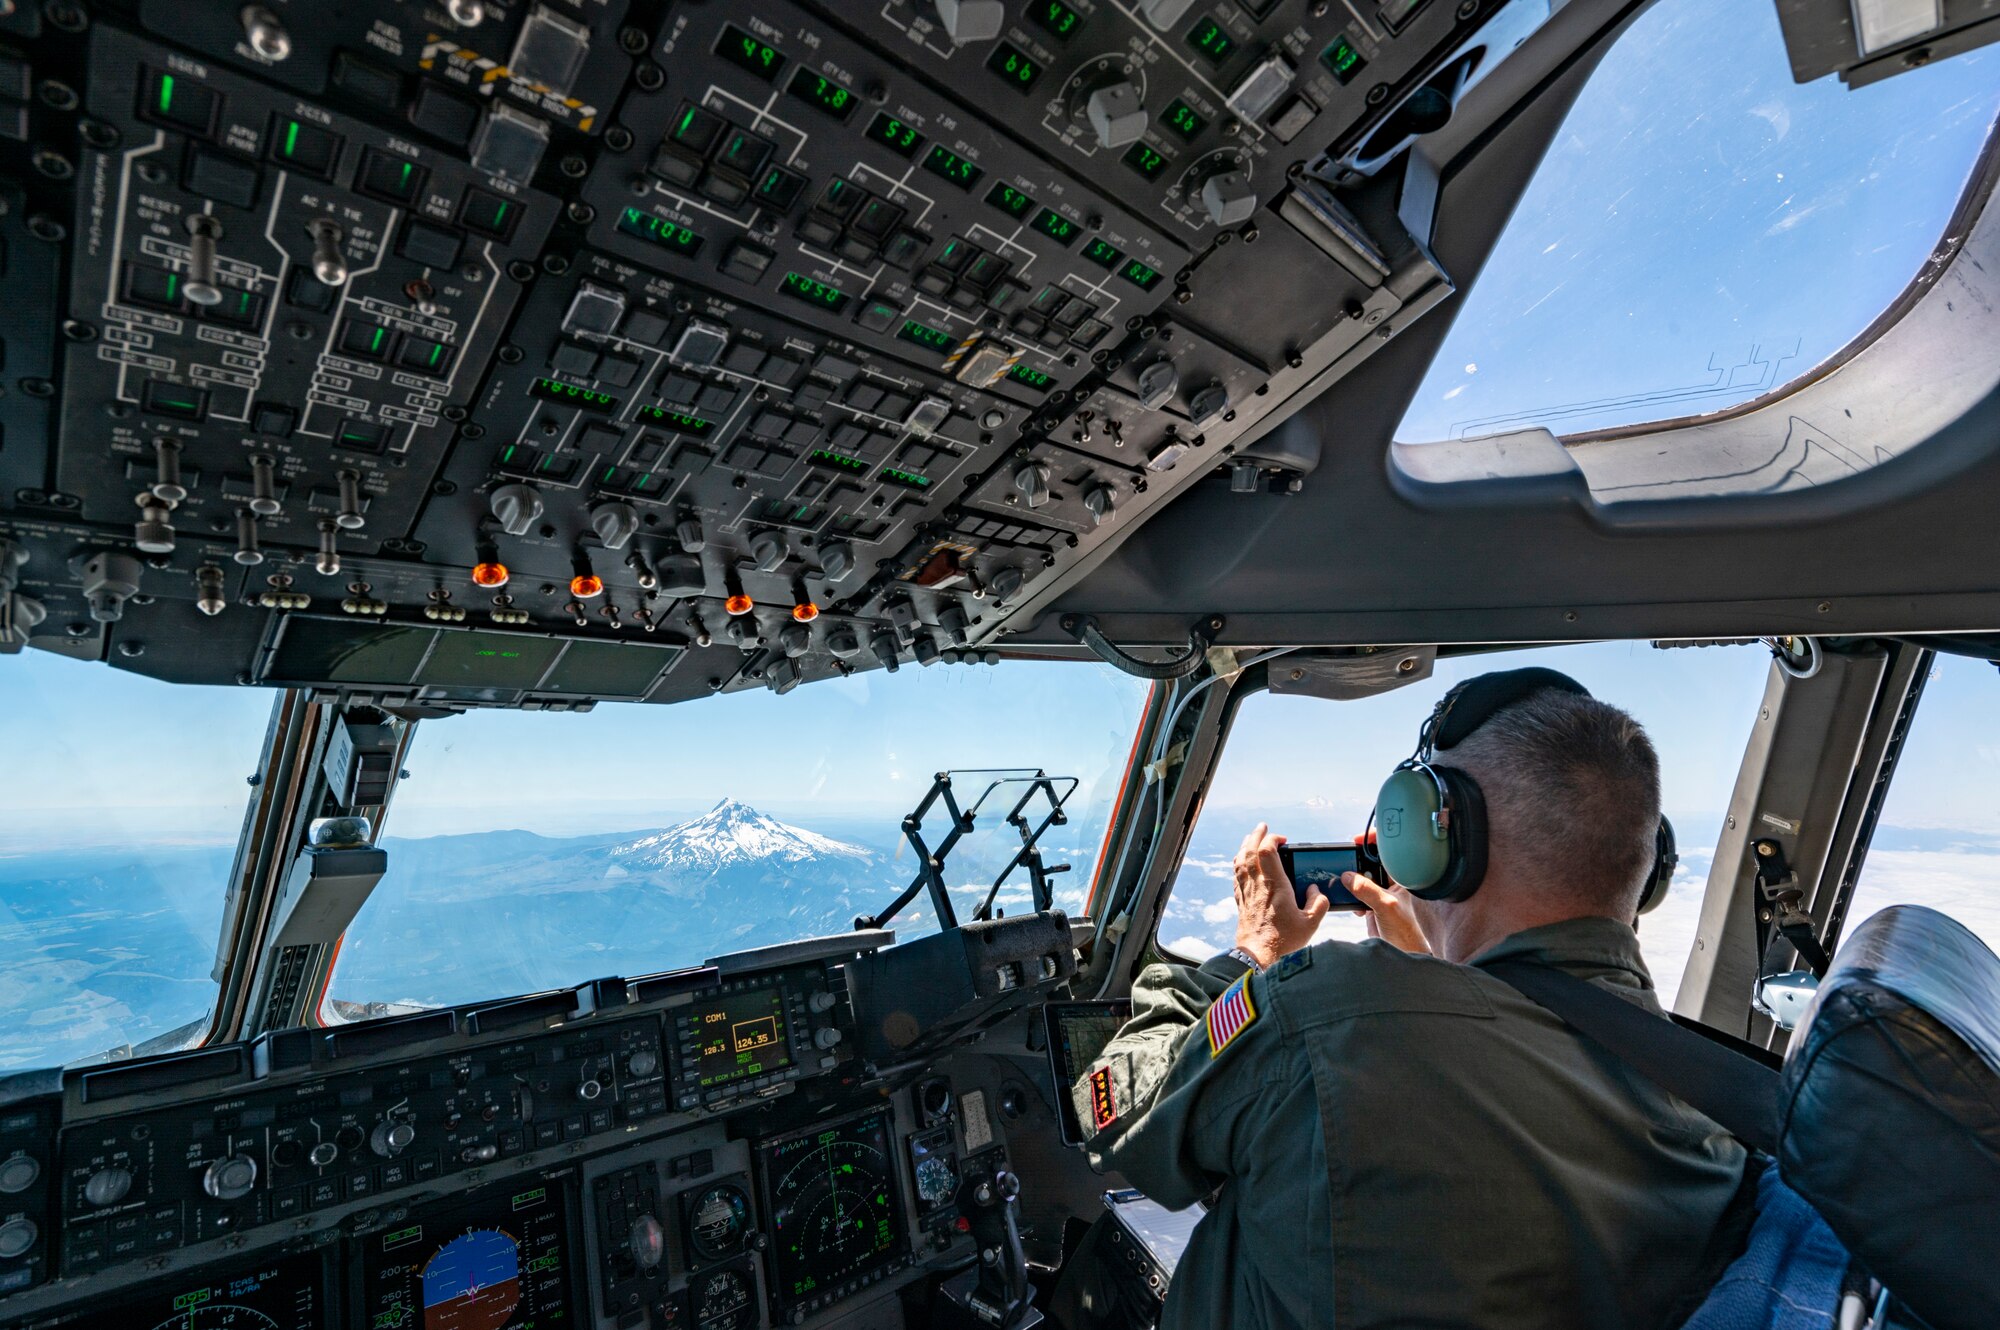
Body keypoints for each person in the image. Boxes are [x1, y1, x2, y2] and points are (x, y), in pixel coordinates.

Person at [1072, 672, 1748, 1329]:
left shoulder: (1334, 1013)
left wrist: (1252, 952)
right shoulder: (1722, 1115)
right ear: (1649, 865)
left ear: (1436, 841)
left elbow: (1111, 1106)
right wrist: (1430, 977)